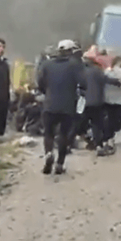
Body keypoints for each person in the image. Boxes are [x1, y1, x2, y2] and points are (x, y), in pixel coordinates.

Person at [37, 39, 88, 175]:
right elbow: (83, 83)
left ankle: (48, 153)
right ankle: (59, 163)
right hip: (67, 106)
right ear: (71, 51)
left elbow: (40, 83)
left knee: (48, 132)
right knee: (63, 135)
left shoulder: (47, 64)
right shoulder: (75, 65)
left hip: (49, 104)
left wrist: (47, 92)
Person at [82, 54, 121, 156]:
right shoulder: (96, 71)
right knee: (96, 124)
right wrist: (118, 82)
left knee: (80, 123)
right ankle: (98, 145)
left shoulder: (81, 72)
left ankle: (73, 141)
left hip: (83, 102)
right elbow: (106, 79)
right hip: (97, 102)